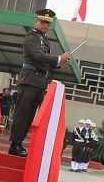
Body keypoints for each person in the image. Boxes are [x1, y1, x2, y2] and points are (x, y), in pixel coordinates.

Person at [8, 9, 72, 156]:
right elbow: (37, 56)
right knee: (23, 114)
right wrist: (58, 58)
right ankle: (15, 144)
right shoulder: (31, 37)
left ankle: (21, 144)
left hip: (39, 82)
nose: (45, 25)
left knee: (31, 116)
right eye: (43, 22)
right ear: (36, 21)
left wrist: (59, 63)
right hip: (29, 79)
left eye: (48, 23)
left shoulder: (44, 39)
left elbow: (44, 62)